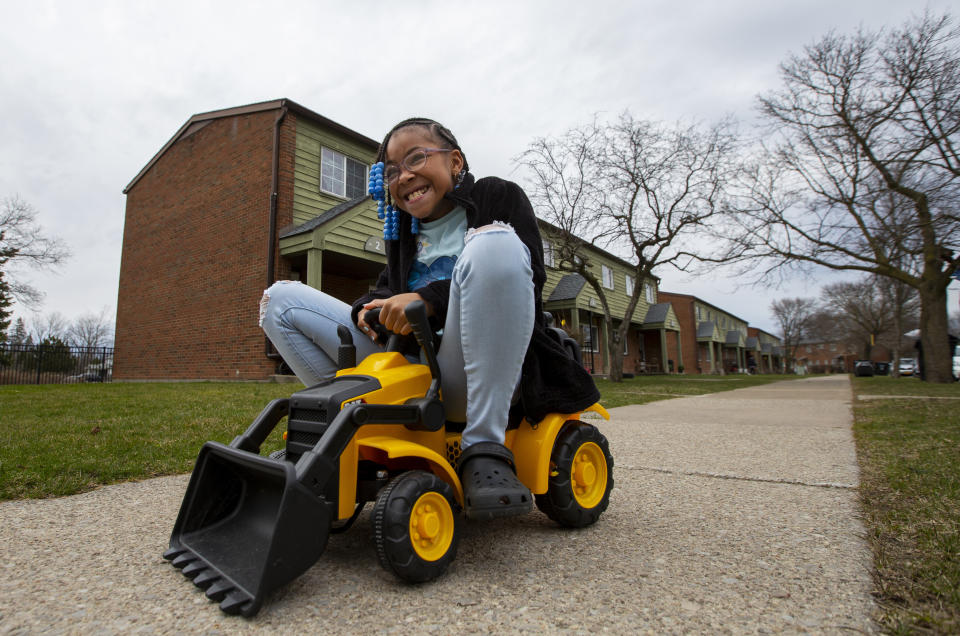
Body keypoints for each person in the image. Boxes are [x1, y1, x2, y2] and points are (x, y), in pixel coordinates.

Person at [259, 117, 599, 520]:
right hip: (413, 371)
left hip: (472, 376)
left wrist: (427, 298)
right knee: (279, 301)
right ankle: (342, 429)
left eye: (416, 158)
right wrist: (368, 309)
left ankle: (484, 447)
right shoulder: (403, 231)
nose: (404, 175)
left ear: (455, 162)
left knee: (494, 244)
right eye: (391, 170)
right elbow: (387, 288)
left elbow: (528, 278)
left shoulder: (496, 195)